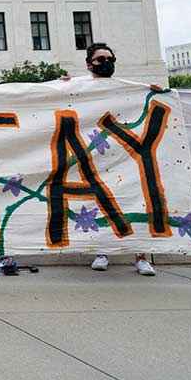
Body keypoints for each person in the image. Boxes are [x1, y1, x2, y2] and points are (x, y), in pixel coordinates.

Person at [61, 42, 161, 277]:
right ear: (89, 64)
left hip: (125, 154)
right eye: (100, 59)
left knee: (135, 201)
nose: (106, 63)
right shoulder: (80, 86)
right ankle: (102, 251)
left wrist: (155, 92)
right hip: (95, 155)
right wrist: (62, 85)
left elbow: (145, 95)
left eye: (110, 59)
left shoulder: (126, 88)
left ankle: (141, 256)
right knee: (99, 203)